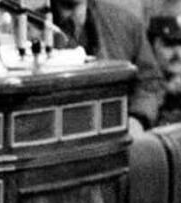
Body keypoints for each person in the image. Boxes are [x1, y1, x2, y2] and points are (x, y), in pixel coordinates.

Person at [47, 0, 164, 132]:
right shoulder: (27, 27)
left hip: (116, 134)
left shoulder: (125, 23)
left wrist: (138, 119)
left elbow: (149, 83)